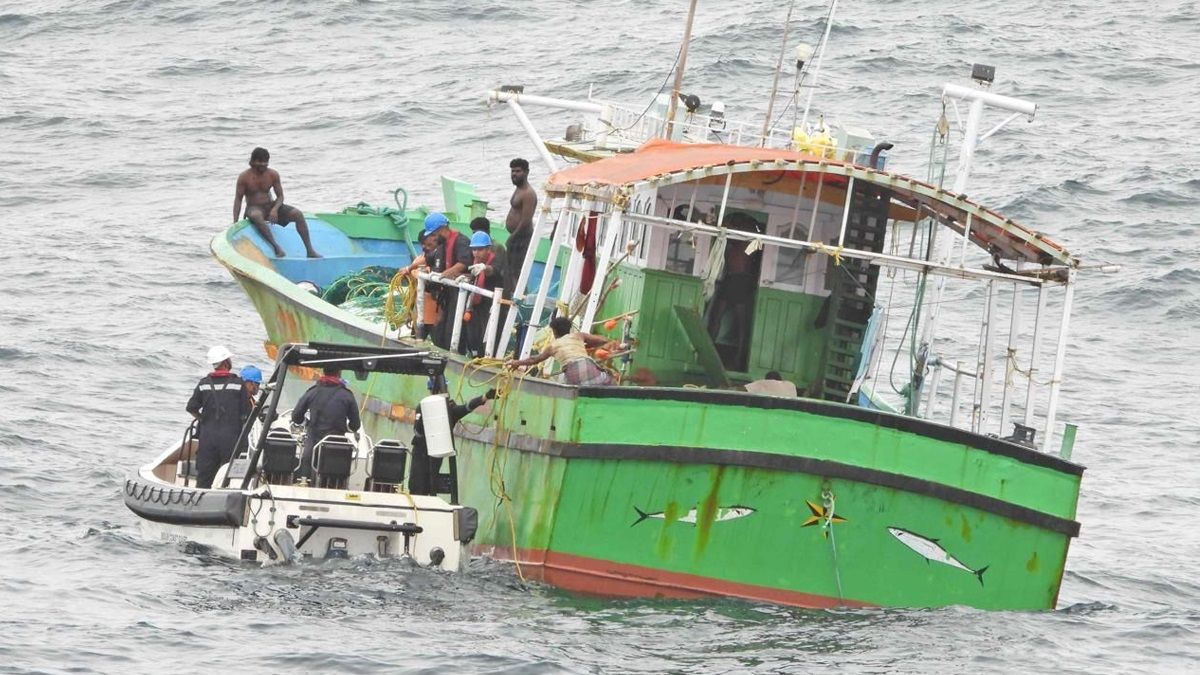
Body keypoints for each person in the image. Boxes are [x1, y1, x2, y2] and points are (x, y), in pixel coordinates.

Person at [233, 147, 321, 258]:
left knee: (298, 214)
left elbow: (280, 196)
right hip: (254, 207)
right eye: (260, 162)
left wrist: (274, 210)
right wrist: (235, 222)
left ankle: (310, 250)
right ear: (253, 162)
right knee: (256, 215)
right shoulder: (244, 177)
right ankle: (276, 247)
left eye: (266, 163)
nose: (263, 165)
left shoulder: (272, 174)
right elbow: (238, 200)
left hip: (270, 205)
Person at [408, 389, 496, 496]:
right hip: (424, 451)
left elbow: (467, 407)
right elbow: (418, 431)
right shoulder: (430, 408)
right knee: (419, 486)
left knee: (425, 486)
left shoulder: (447, 410)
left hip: (432, 452)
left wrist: (485, 397)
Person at [186, 346, 251, 489]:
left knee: (204, 479)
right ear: (226, 362)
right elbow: (247, 412)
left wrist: (202, 419)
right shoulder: (238, 384)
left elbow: (191, 407)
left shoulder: (203, 384)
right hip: (231, 439)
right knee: (228, 477)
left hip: (208, 438)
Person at [291, 366, 361, 482]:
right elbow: (356, 425)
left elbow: (296, 417)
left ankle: (304, 482)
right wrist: (346, 427)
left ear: (324, 372)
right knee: (336, 477)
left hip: (313, 448)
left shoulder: (312, 392)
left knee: (305, 475)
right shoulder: (347, 395)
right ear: (339, 373)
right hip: (336, 450)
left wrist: (306, 422)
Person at [506, 316, 614, 385]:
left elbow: (534, 360)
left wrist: (517, 362)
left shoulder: (552, 346)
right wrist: (587, 344)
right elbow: (602, 340)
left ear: (554, 332)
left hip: (572, 374)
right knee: (610, 381)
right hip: (587, 366)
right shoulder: (578, 336)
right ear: (569, 328)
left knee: (567, 383)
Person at [426, 212, 472, 349]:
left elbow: (465, 262)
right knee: (441, 330)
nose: (433, 238)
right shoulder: (442, 246)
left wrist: (446, 273)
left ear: (441, 229)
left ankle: (456, 351)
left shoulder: (461, 241)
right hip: (447, 295)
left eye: (434, 234)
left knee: (454, 328)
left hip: (460, 294)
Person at [464, 231, 506, 357]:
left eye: (480, 249)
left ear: (488, 249)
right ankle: (474, 356)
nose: (476, 252)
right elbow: (473, 275)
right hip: (477, 305)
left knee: (487, 337)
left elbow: (493, 270)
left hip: (491, 307)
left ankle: (485, 359)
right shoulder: (474, 261)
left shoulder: (496, 261)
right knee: (472, 335)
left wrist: (484, 268)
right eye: (474, 249)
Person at [503, 158, 537, 301]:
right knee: (510, 270)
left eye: (518, 171)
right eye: (512, 171)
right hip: (516, 237)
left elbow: (526, 221)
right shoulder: (518, 189)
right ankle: (512, 297)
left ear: (526, 172)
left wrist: (512, 238)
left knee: (518, 271)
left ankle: (520, 300)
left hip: (522, 237)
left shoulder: (528, 193)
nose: (514, 174)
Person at [402, 229, 443, 338]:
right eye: (424, 244)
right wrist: (410, 312)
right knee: (416, 340)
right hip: (419, 312)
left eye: (429, 244)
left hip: (435, 314)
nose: (426, 247)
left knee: (438, 342)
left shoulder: (439, 263)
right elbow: (412, 289)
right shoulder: (418, 261)